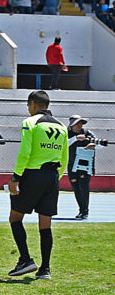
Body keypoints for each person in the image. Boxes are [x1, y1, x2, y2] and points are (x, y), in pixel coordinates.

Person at [8, 90, 69, 281]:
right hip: (52, 176)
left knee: (15, 218)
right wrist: (54, 178)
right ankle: (45, 269)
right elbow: (64, 158)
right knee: (45, 224)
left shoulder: (30, 123)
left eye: (28, 105)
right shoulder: (62, 127)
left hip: (32, 174)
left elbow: (25, 152)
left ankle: (25, 260)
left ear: (33, 104)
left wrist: (16, 177)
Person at [67, 114, 106, 220]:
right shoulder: (66, 134)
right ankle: (81, 209)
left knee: (84, 187)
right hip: (71, 165)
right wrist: (75, 138)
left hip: (85, 166)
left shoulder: (87, 133)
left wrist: (93, 145)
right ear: (72, 125)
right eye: (77, 123)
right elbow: (63, 144)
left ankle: (85, 211)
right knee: (76, 188)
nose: (79, 125)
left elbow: (100, 145)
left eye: (81, 123)